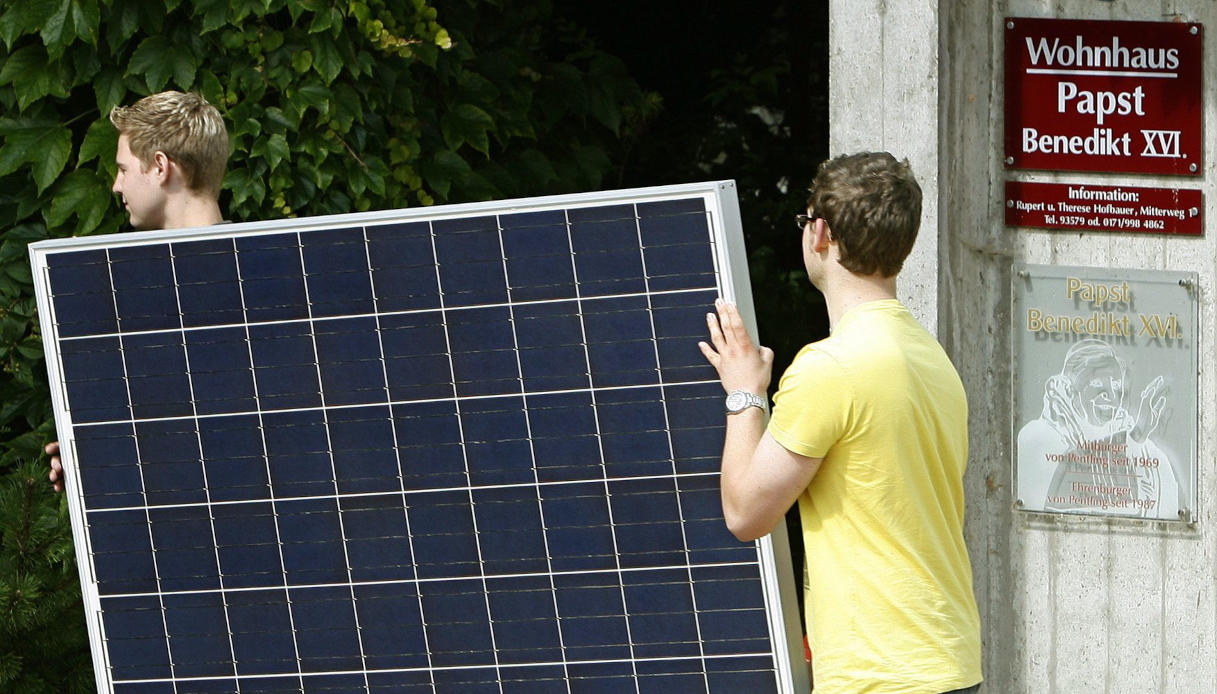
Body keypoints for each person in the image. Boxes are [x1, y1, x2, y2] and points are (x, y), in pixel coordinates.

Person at [699, 152, 982, 693]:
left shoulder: (830, 368)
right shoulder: (931, 357)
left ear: (820, 234)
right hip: (947, 660)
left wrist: (743, 393)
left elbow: (745, 513)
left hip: (880, 674)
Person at [46, 90, 229, 492]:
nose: (115, 185)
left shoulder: (251, 284)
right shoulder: (264, 272)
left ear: (160, 167)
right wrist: (94, 454)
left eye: (123, 169)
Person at [1017, 338, 1179, 517]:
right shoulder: (1037, 437)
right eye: (1097, 385)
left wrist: (1136, 439)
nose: (1112, 398)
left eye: (1117, 387)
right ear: (1071, 390)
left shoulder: (1146, 451)